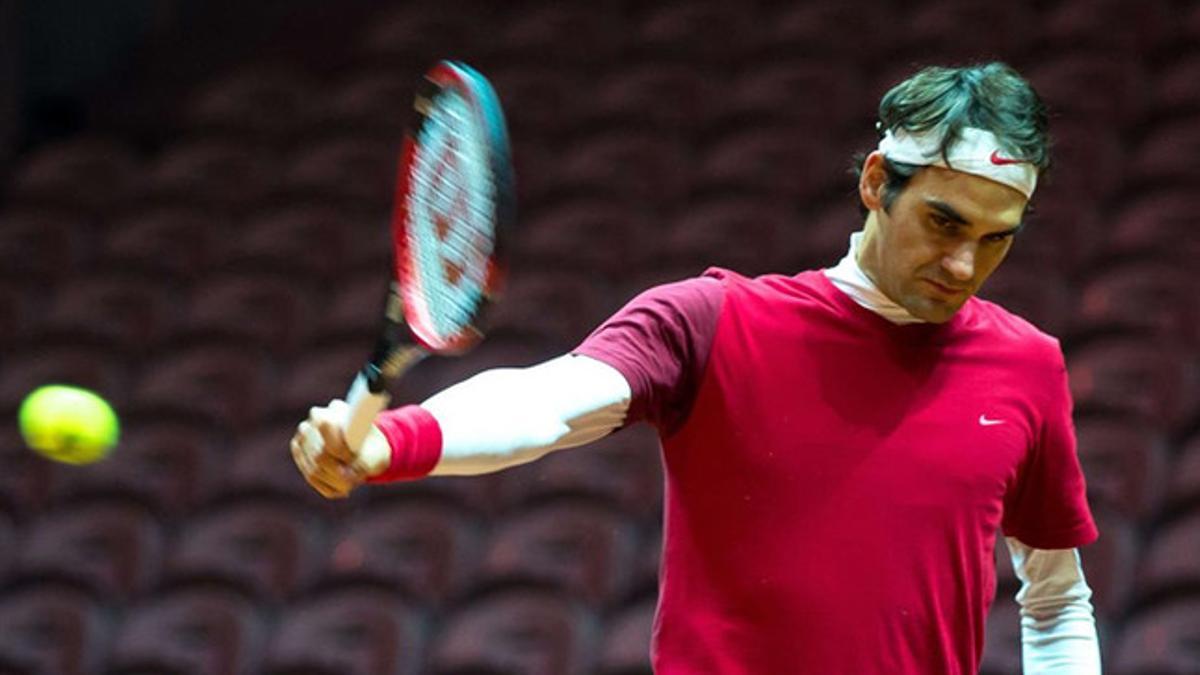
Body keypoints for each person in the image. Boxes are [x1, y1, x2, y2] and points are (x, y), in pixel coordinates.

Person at [291, 62, 1101, 673]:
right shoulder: (714, 321)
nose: (964, 264)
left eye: (997, 238)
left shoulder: (1026, 366)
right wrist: (390, 443)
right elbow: (551, 402)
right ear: (875, 182)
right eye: (944, 222)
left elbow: (1057, 598)